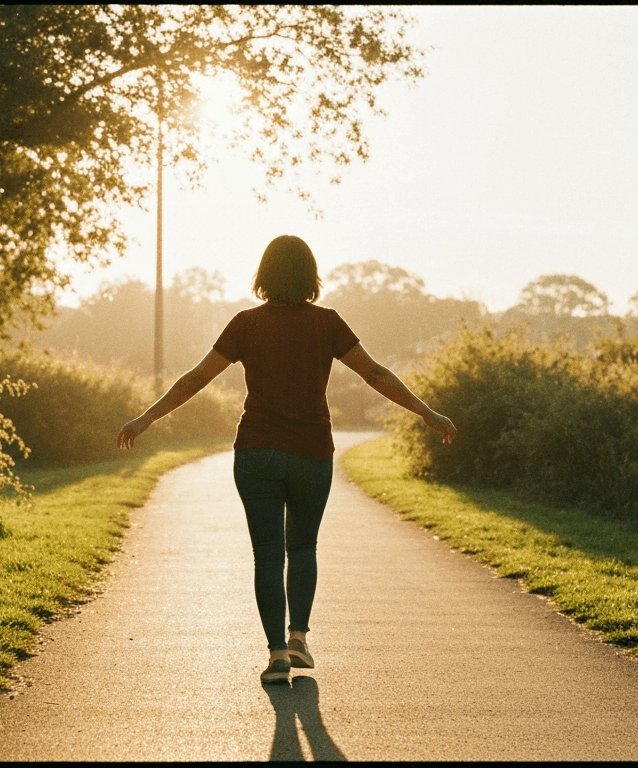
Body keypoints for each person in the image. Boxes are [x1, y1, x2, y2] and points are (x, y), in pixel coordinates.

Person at [116, 235, 456, 684]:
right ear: (311, 275)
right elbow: (374, 373)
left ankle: (277, 655)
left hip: (256, 452)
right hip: (311, 453)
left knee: (267, 556)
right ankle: (298, 639)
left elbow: (196, 378)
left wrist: (146, 418)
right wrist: (427, 412)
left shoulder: (245, 323)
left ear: (264, 274)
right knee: (302, 546)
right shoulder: (327, 323)